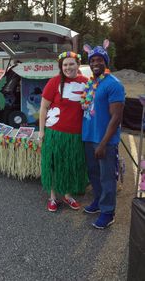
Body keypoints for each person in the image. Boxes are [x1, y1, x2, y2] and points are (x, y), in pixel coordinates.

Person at [82, 39, 125, 229]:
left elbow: (116, 118)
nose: (95, 63)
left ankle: (108, 212)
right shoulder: (92, 83)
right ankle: (98, 202)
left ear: (105, 62)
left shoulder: (113, 84)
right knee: (94, 173)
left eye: (99, 60)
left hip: (104, 141)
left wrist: (103, 143)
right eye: (92, 60)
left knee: (107, 177)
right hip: (89, 137)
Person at [39, 51, 89, 212]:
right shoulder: (54, 82)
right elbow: (43, 107)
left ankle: (67, 195)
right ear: (61, 67)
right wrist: (41, 132)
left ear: (78, 65)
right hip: (54, 131)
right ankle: (53, 197)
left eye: (71, 64)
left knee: (69, 164)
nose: (68, 67)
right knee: (53, 164)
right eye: (65, 65)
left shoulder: (86, 83)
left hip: (75, 134)